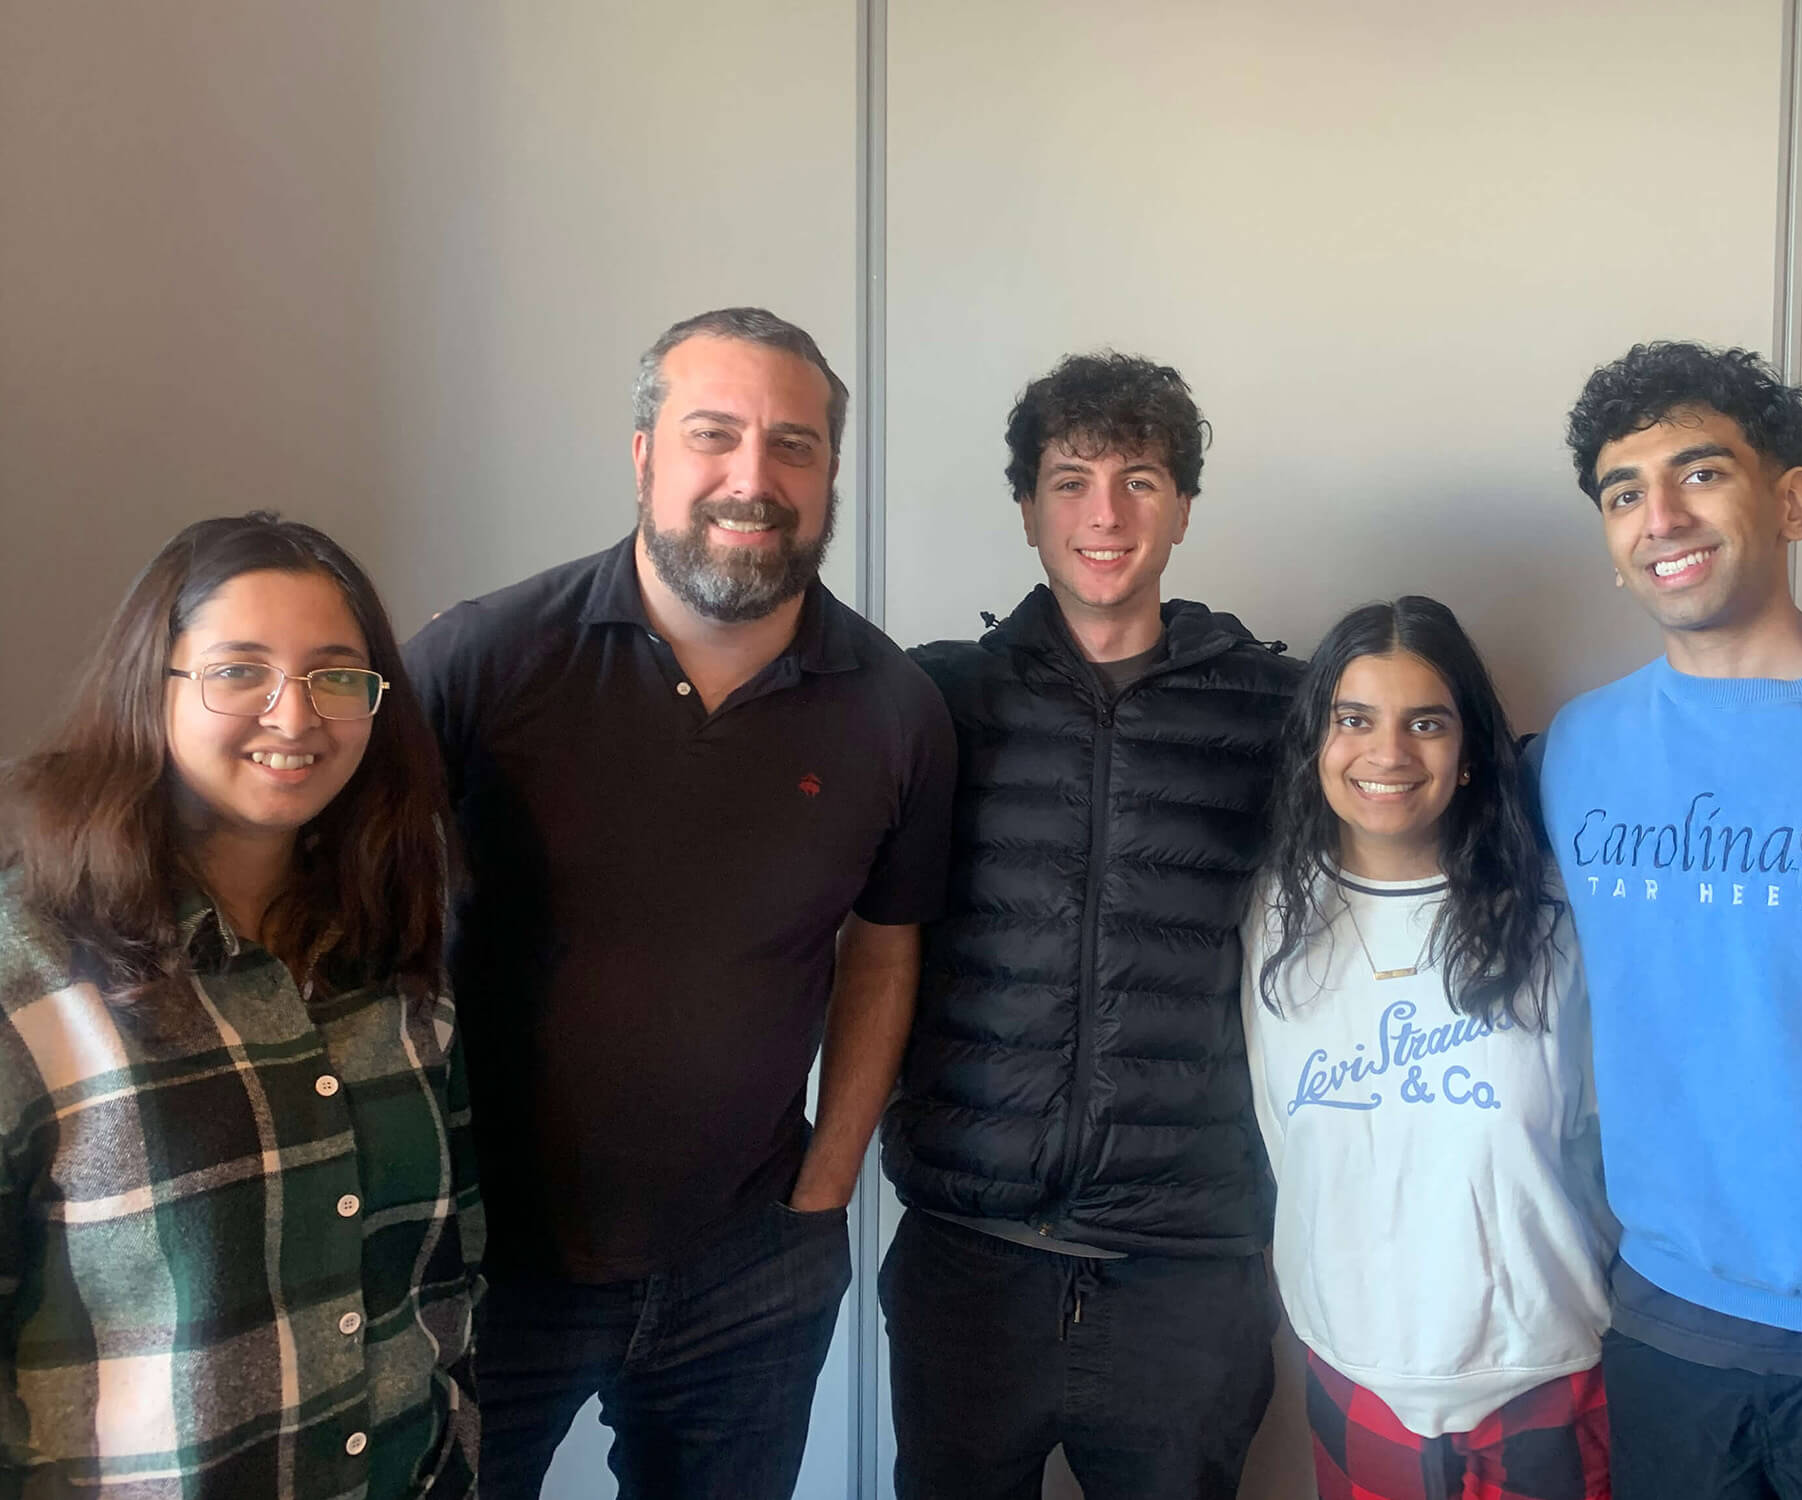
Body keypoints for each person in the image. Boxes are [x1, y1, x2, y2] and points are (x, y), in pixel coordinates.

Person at [403, 306, 956, 1499]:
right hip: (487, 1260)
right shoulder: (480, 664)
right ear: (645, 452)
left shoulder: (895, 710)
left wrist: (825, 1188)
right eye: (715, 435)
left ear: (830, 475)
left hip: (750, 1267)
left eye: (794, 446)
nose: (752, 479)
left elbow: (882, 950)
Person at [1537, 340, 1802, 1497]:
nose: (1659, 515)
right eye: (1623, 493)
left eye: (1699, 473)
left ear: (1791, 499)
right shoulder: (1577, 750)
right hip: (1676, 1316)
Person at [879, 351, 1302, 1499]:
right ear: (1026, 509)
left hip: (1189, 1275)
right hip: (968, 1260)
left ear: (1180, 507)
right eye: (1070, 480)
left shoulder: (1280, 711)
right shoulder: (930, 699)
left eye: (1139, 480)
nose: (1103, 514)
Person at [0, 512, 481, 1497]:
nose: (295, 716)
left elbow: (441, 1275)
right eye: (240, 669)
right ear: (155, 682)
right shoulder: (31, 972)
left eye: (337, 676)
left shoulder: (390, 952)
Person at [1242, 595, 1613, 1500]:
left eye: (1427, 723)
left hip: (1546, 1379)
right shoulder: (1274, 913)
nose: (1388, 752)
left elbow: (1606, 1145)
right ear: (1317, 742)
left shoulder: (1559, 919)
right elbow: (1283, 1144)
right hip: (1356, 1372)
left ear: (1471, 750)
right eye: (1355, 719)